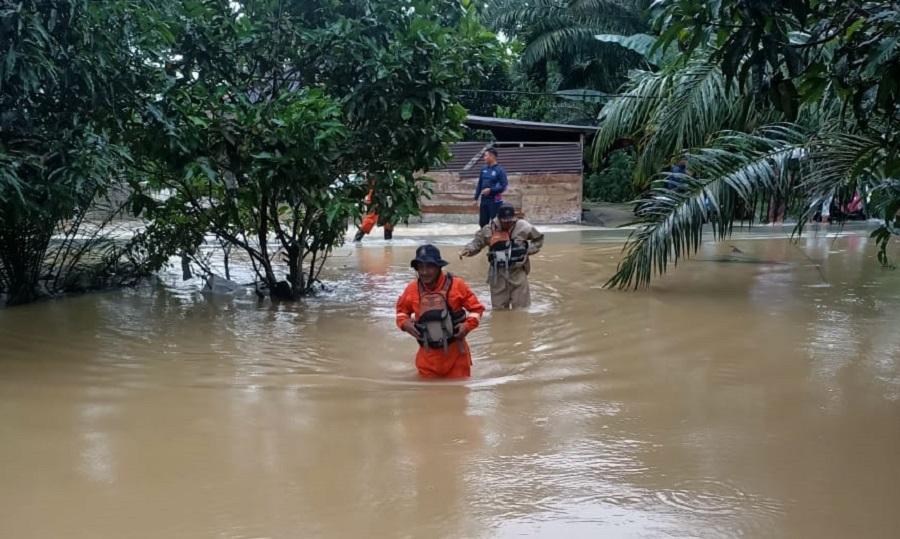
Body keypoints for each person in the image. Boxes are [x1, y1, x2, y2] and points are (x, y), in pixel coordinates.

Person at [396, 244, 485, 378]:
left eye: (429, 267)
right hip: (427, 359)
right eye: (420, 267)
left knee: (458, 391)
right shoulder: (411, 289)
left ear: (439, 267)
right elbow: (401, 312)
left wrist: (467, 326)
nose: (424, 272)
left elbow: (477, 309)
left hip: (457, 358)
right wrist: (404, 324)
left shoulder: (457, 285)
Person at [458, 203, 543, 310]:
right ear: (499, 219)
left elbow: (538, 238)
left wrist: (528, 251)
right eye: (504, 221)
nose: (507, 223)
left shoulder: (524, 227)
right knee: (499, 309)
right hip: (497, 273)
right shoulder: (489, 229)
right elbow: (477, 243)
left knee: (522, 308)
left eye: (510, 221)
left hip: (517, 271)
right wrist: (467, 250)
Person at [474, 147, 508, 228]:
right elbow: (480, 183)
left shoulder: (500, 170)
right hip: (484, 199)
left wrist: (491, 190)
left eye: (486, 156)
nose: (484, 158)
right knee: (483, 223)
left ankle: (495, 236)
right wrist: (476, 197)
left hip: (495, 200)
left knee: (495, 223)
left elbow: (504, 186)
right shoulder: (483, 169)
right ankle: (485, 235)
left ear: (492, 156)